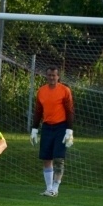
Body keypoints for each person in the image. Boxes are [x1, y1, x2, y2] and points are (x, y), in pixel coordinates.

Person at [30, 66, 74, 197]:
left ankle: (55, 188)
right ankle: (49, 188)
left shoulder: (65, 91)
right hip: (47, 127)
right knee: (46, 158)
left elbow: (70, 110)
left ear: (58, 76)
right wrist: (34, 129)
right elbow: (38, 111)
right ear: (46, 76)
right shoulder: (41, 91)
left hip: (61, 127)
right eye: (49, 75)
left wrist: (69, 130)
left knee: (59, 158)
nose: (51, 77)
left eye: (54, 75)